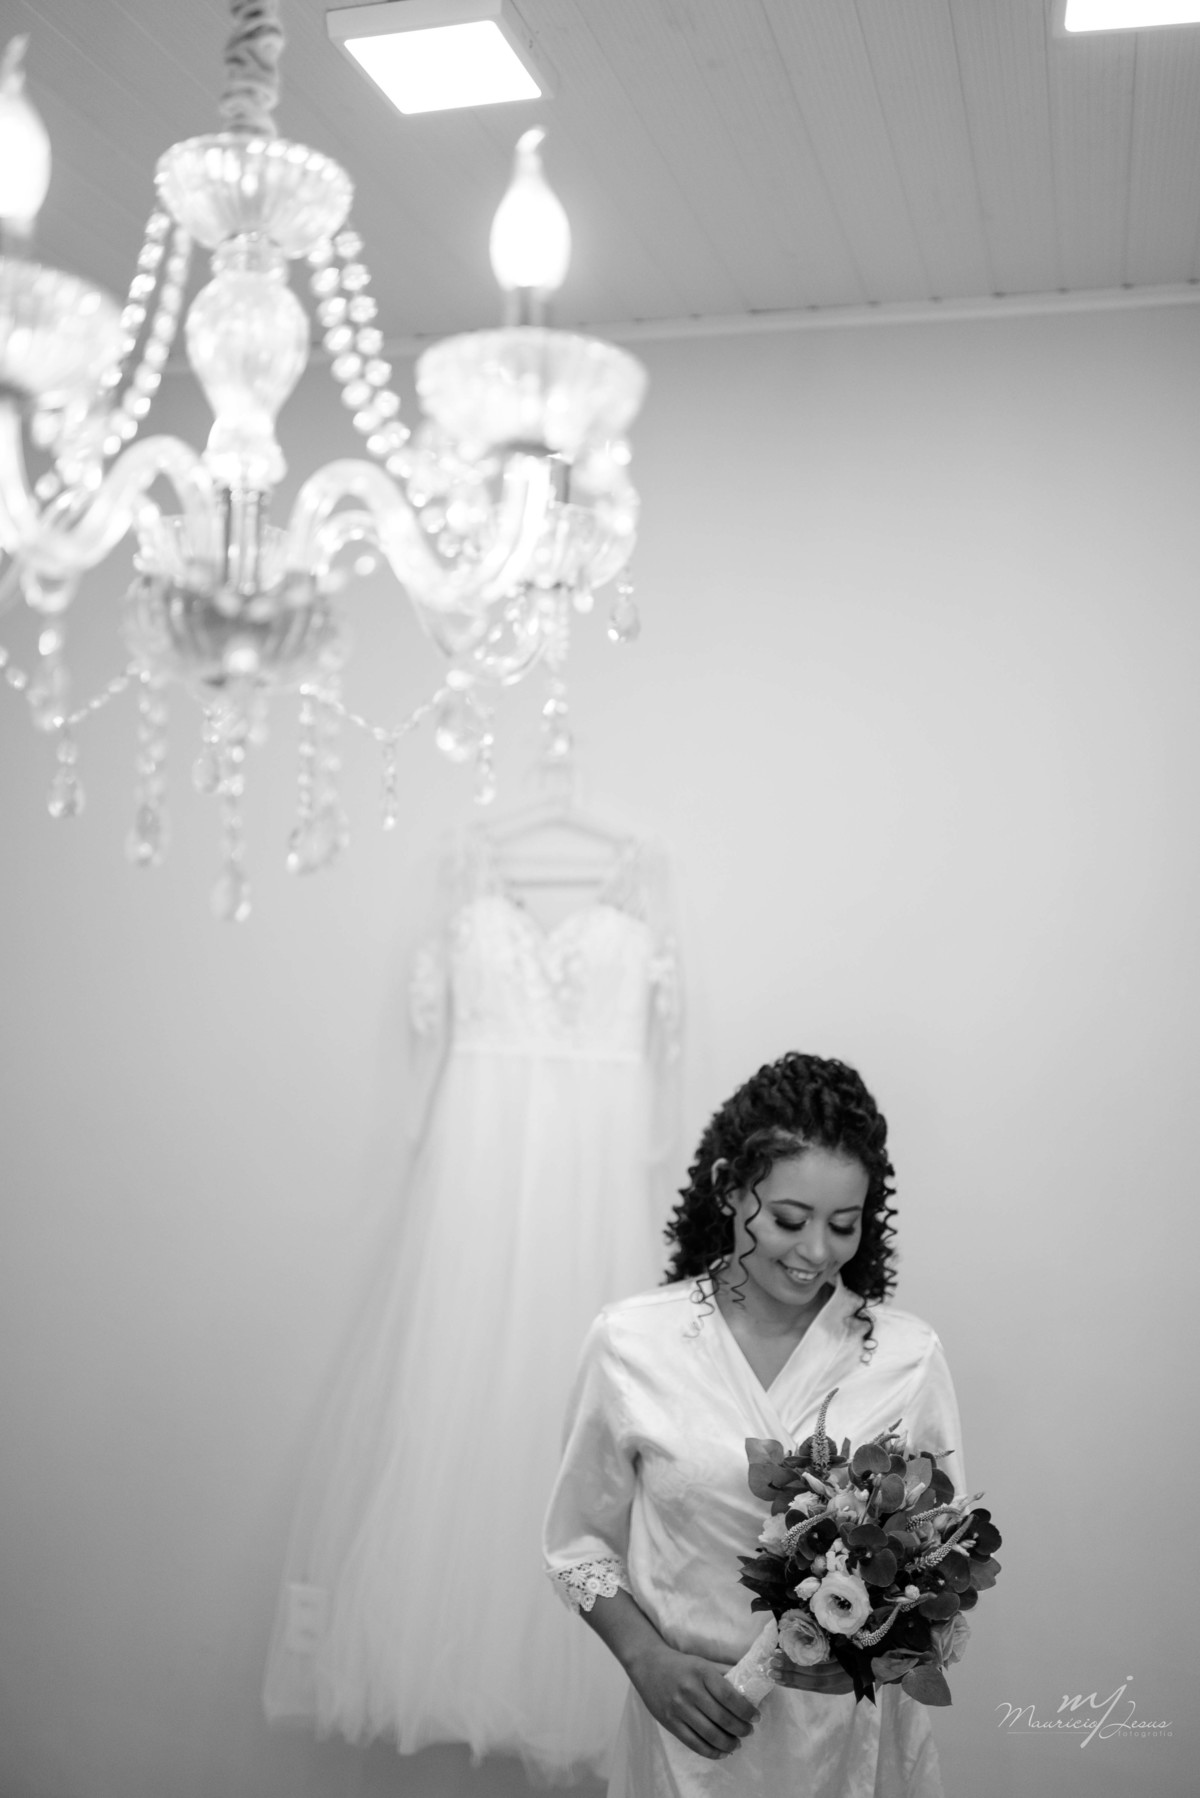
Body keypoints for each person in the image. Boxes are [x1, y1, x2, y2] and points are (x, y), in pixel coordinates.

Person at [542, 1051, 964, 1797]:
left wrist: (883, 1650)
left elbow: (941, 1564)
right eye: (789, 1220)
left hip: (850, 1745)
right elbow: (577, 1544)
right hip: (691, 1741)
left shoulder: (907, 1357)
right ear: (729, 1189)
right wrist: (646, 1660)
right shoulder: (632, 1344)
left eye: (844, 1224)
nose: (817, 1252)